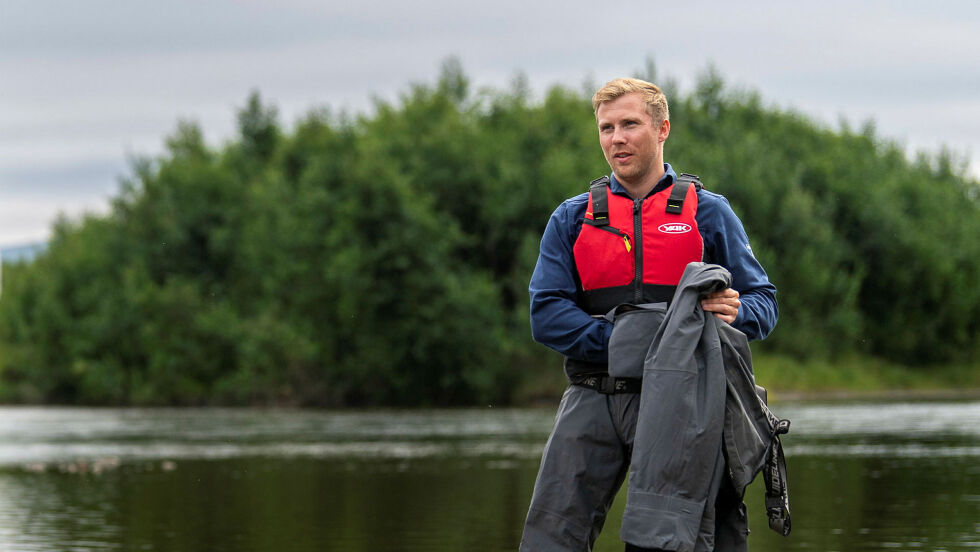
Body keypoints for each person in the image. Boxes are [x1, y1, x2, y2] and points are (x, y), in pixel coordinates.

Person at [519, 78, 778, 551]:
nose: (616, 138)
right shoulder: (572, 218)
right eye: (606, 127)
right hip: (593, 394)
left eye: (629, 124)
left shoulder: (710, 213)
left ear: (662, 129)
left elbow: (764, 302)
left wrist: (737, 312)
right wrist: (630, 344)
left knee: (676, 539)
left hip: (684, 404)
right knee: (549, 539)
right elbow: (546, 315)